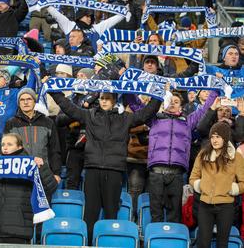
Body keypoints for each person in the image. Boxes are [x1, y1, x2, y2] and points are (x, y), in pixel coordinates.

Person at [49, 86, 162, 243]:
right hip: (92, 170)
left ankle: (107, 244)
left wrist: (159, 95)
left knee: (111, 213)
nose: (104, 101)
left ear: (115, 100)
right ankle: (88, 245)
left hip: (114, 171)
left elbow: (146, 114)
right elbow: (69, 108)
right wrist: (54, 92)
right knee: (90, 214)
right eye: (102, 98)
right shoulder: (89, 115)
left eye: (108, 98)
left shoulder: (125, 118)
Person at [147, 90, 218, 223]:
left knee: (175, 214)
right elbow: (136, 106)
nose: (173, 104)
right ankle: (156, 241)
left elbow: (204, 109)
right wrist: (127, 88)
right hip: (156, 173)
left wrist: (214, 92)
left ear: (181, 106)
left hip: (177, 174)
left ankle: (173, 241)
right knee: (155, 212)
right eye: (170, 101)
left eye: (176, 102)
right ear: (165, 103)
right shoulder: (154, 120)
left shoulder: (188, 122)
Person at [189, 122, 244, 248]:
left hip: (226, 206)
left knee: (222, 243)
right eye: (212, 137)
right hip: (204, 205)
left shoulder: (236, 157)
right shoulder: (203, 154)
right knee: (203, 243)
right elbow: (193, 178)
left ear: (225, 137)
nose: (214, 140)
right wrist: (200, 185)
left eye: (218, 136)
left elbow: (243, 182)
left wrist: (233, 189)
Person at [4, 88, 61, 202]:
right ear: (18, 103)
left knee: (42, 213)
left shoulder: (48, 122)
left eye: (29, 99)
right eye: (22, 100)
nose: (25, 102)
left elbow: (54, 150)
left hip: (43, 174)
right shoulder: (11, 123)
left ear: (34, 101)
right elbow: (6, 150)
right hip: (20, 174)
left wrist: (56, 173)